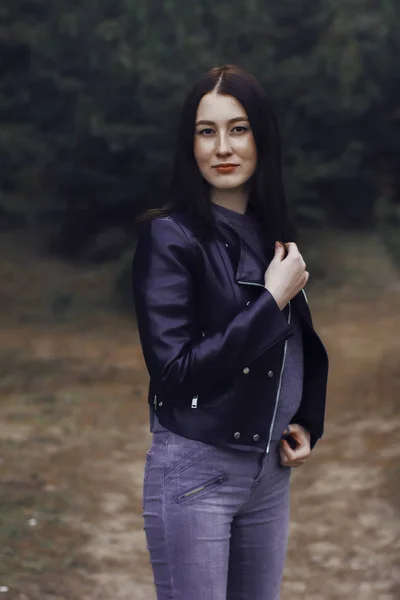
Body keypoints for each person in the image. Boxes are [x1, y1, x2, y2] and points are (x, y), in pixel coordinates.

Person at [132, 64, 329, 600]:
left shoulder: (271, 235)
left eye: (238, 128)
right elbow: (175, 373)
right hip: (197, 468)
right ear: (189, 144)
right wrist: (270, 300)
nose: (223, 146)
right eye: (206, 130)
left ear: (261, 137)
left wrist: (307, 418)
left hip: (268, 475)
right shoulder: (170, 238)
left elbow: (299, 344)